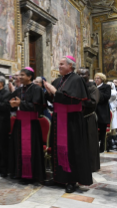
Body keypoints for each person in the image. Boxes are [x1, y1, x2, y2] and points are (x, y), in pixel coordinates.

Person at [44, 56, 92, 193]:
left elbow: (68, 99)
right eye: (58, 64)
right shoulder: (59, 80)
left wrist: (54, 91)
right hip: (59, 119)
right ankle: (58, 177)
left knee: (71, 149)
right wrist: (49, 93)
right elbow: (54, 98)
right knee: (57, 147)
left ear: (70, 66)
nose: (59, 66)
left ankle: (71, 180)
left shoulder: (77, 80)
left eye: (61, 64)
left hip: (72, 121)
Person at [9, 67, 45, 182]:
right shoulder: (19, 90)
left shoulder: (36, 89)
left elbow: (38, 107)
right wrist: (12, 104)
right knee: (18, 147)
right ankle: (19, 172)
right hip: (19, 123)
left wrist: (21, 103)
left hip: (31, 124)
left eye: (22, 75)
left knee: (31, 149)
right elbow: (10, 102)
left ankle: (31, 174)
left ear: (30, 77)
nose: (19, 77)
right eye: (19, 75)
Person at [77, 68, 100, 172]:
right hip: (77, 118)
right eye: (79, 74)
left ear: (88, 75)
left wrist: (79, 102)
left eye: (83, 74)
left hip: (88, 117)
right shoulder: (75, 87)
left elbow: (93, 103)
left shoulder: (93, 88)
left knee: (90, 143)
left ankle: (91, 166)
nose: (81, 76)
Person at [95, 73, 111, 152]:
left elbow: (106, 97)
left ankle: (102, 147)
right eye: (95, 78)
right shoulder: (93, 87)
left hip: (102, 111)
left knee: (102, 130)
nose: (96, 80)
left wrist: (97, 91)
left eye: (98, 78)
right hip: (94, 111)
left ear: (102, 79)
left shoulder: (106, 87)